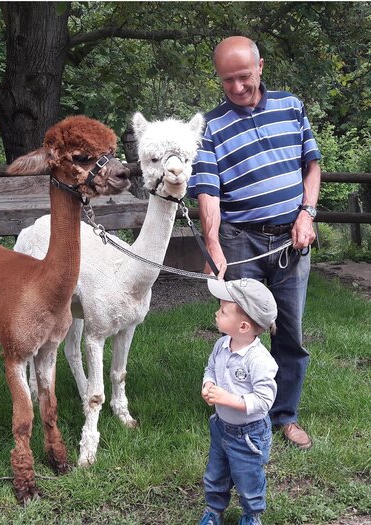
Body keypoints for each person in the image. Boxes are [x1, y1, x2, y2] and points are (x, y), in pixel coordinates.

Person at [188, 35, 321, 450]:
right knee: (240, 330)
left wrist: (306, 213)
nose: (238, 87)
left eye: (244, 76)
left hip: (291, 242)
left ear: (260, 67)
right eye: (228, 81)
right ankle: (235, 410)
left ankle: (284, 415)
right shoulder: (211, 126)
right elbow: (208, 192)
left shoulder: (291, 106)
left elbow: (311, 166)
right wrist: (213, 245)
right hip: (241, 239)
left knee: (290, 331)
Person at [198, 277, 278, 525]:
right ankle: (213, 510)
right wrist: (208, 384)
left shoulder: (259, 360)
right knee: (215, 474)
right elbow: (210, 368)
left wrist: (227, 398)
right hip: (222, 428)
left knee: (248, 478)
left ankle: (251, 515)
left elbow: (264, 401)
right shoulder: (221, 344)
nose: (216, 313)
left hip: (249, 435)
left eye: (222, 311)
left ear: (243, 327)